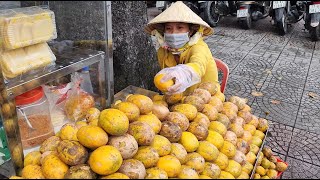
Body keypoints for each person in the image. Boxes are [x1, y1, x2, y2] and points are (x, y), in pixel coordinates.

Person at [145, 1, 219, 95]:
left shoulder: (199, 47)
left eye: (180, 28)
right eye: (168, 28)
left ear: (190, 31)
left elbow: (198, 64)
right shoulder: (163, 51)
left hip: (206, 99)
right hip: (177, 98)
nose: (173, 33)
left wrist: (184, 72)